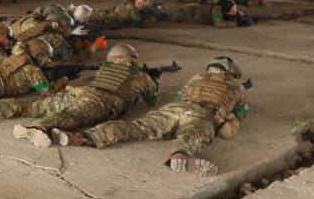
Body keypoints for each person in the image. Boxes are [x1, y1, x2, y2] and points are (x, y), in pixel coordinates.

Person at [57, 56, 247, 177]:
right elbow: (239, 116)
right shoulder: (237, 87)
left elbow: (181, 96)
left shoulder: (196, 78)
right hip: (201, 113)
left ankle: (83, 137)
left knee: (138, 127)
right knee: (192, 134)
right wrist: (228, 118)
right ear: (232, 74)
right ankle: (180, 155)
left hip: (174, 107)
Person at [0, 43, 158, 147]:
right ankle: (39, 128)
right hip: (102, 100)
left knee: (32, 106)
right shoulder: (140, 76)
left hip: (79, 91)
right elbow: (152, 100)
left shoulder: (105, 69)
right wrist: (153, 80)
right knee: (72, 116)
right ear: (133, 59)